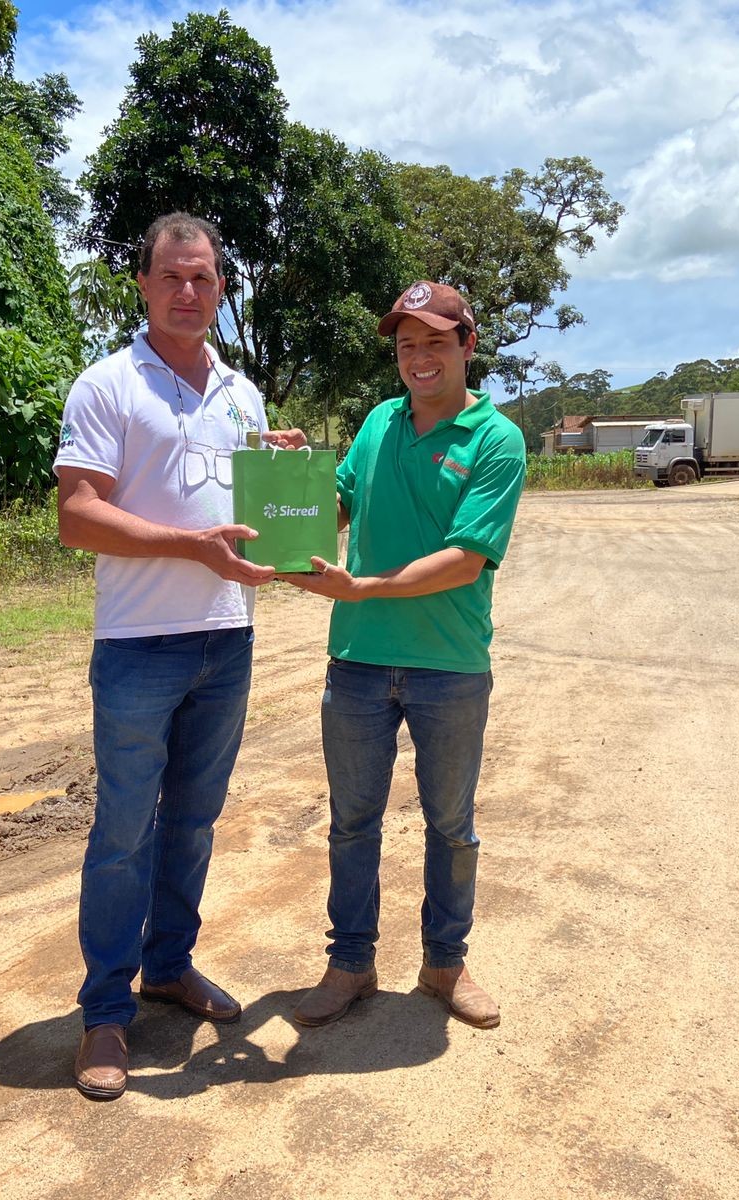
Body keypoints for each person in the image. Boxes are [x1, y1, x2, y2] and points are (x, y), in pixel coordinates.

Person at [53, 212, 304, 1100]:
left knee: (193, 822)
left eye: (204, 278)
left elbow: (255, 514)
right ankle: (105, 1014)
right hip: (138, 644)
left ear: (222, 288)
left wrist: (283, 473)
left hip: (226, 637)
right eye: (173, 277)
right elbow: (76, 514)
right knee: (124, 831)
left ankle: (169, 965)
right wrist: (189, 544)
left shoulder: (242, 393)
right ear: (144, 285)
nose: (189, 291)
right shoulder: (108, 385)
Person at [280, 281, 526, 1030]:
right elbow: (335, 509)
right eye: (405, 343)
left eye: (433, 342)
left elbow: (464, 558)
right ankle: (350, 964)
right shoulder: (380, 422)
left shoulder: (496, 440)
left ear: (467, 348)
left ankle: (444, 965)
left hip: (449, 666)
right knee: (352, 823)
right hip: (355, 662)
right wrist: (290, 478)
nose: (418, 357)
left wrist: (362, 588)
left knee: (452, 824)